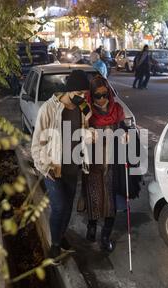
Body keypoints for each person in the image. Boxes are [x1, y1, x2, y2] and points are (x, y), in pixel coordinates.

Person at [31, 70, 92, 260]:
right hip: (53, 168)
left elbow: (86, 127)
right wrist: (44, 166)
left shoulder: (82, 106)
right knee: (59, 207)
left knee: (68, 208)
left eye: (84, 94)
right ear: (69, 90)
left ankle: (60, 236)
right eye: (79, 94)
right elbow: (37, 143)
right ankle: (54, 246)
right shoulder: (48, 109)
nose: (82, 97)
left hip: (73, 167)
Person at [83, 76, 126, 252]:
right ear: (91, 96)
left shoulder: (117, 109)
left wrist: (125, 134)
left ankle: (105, 236)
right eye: (97, 96)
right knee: (94, 197)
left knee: (111, 200)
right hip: (93, 163)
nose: (102, 99)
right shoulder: (87, 112)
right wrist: (87, 133)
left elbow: (124, 128)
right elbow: (78, 134)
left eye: (104, 94)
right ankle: (91, 227)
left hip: (113, 163)